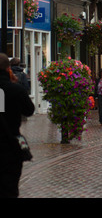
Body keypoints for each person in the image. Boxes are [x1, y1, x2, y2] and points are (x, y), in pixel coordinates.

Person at [0, 52, 35, 198]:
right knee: (10, 188)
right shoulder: (15, 89)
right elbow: (29, 110)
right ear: (8, 69)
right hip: (10, 147)